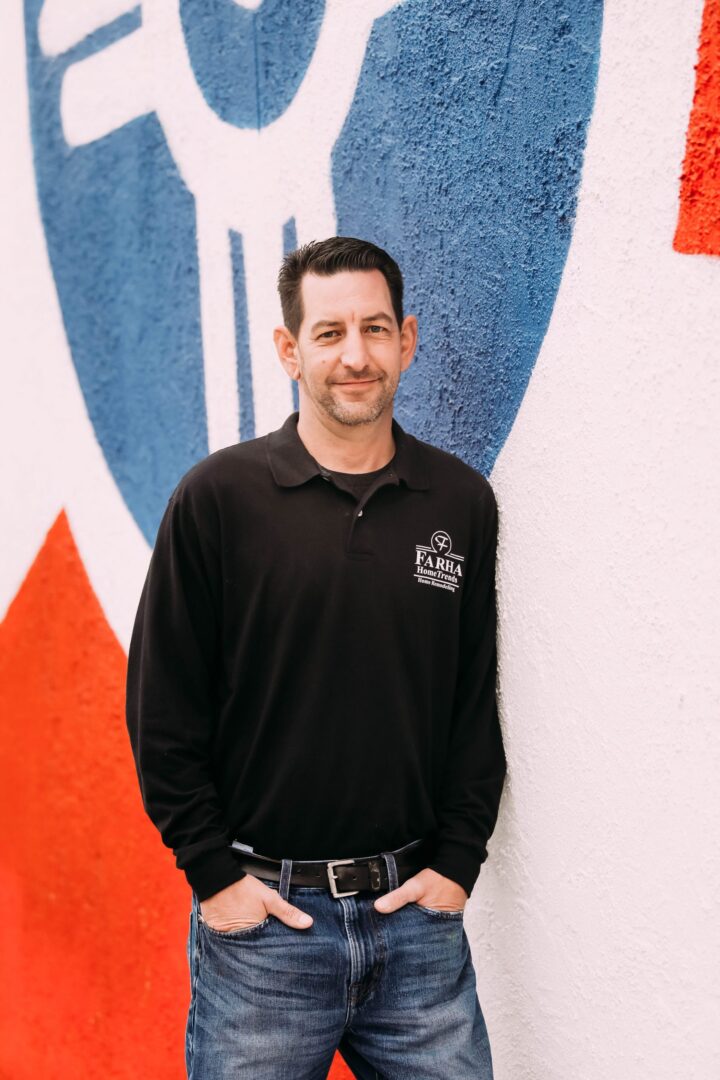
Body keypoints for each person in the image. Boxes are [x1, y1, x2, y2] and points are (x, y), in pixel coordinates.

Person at [125, 236, 507, 1079]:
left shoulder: (459, 504)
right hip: (265, 932)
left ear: (407, 340)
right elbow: (162, 712)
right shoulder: (217, 501)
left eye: (375, 329)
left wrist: (456, 865)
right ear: (289, 350)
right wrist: (215, 877)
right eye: (329, 333)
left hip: (418, 928)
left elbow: (472, 703)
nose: (356, 356)